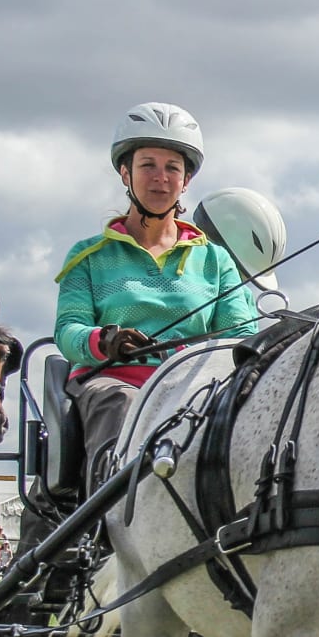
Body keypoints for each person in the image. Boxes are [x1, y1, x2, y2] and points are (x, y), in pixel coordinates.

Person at [53, 102, 263, 492]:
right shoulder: (89, 257)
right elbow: (68, 330)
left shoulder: (215, 260)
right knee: (121, 408)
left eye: (172, 168)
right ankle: (106, 523)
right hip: (116, 383)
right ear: (125, 173)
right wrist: (106, 341)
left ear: (186, 181)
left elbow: (241, 332)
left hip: (196, 387)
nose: (160, 178)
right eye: (148, 165)